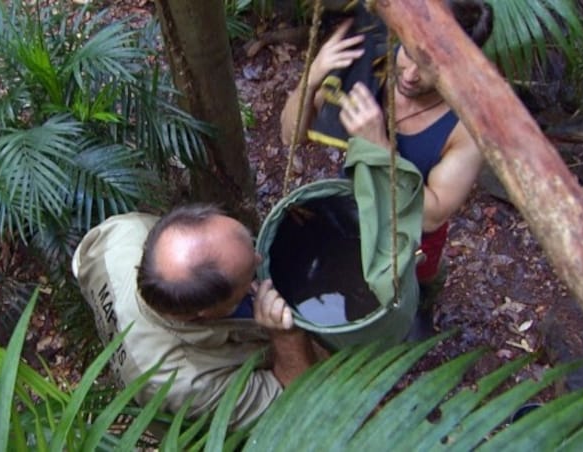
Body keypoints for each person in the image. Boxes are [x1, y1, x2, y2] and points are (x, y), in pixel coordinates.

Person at [281, 0, 493, 299]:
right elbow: (290, 135)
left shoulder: (466, 127)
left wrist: (378, 145)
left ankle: (424, 299)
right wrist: (312, 77)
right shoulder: (372, 58)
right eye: (409, 52)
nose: (409, 75)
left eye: (430, 67)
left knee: (409, 292)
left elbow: (430, 216)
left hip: (409, 241)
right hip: (354, 206)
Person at [71, 204, 319, 429]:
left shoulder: (123, 233)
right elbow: (294, 402)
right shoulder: (184, 383)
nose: (259, 258)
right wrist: (286, 336)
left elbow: (81, 259)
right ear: (206, 313)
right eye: (250, 273)